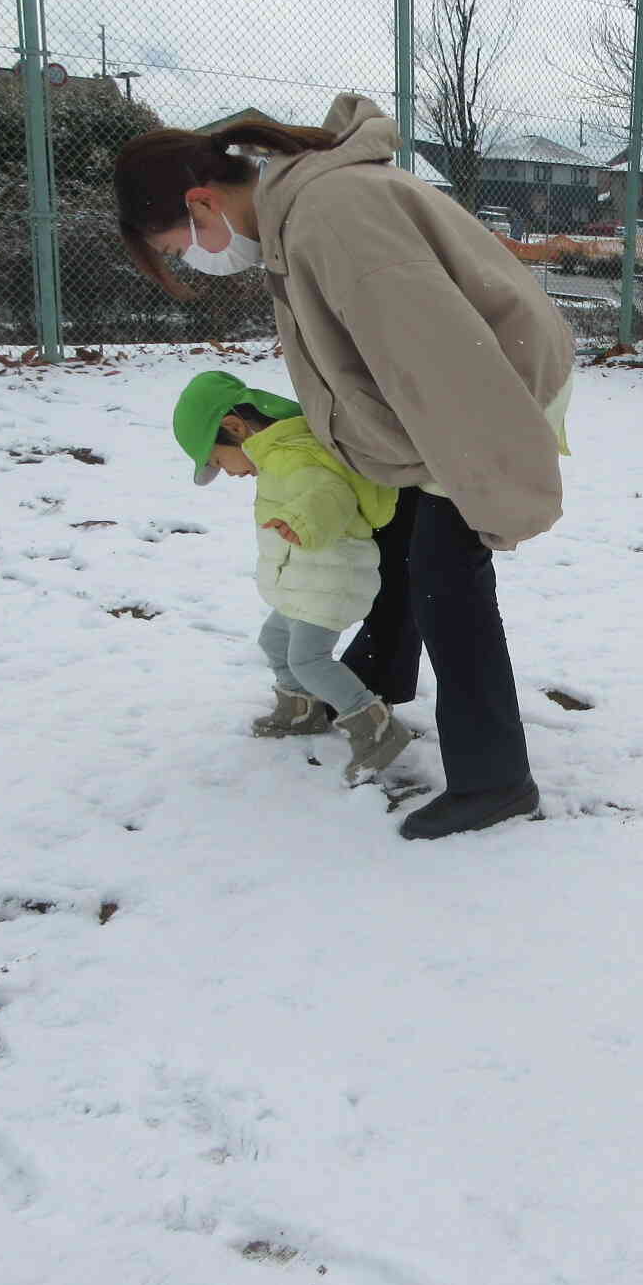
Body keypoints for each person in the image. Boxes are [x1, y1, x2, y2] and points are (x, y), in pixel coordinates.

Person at [115, 95, 572, 839]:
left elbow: (443, 359)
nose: (191, 259)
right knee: (398, 539)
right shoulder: (296, 219)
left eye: (177, 245)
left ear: (202, 202)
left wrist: (487, 482)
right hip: (443, 400)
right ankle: (380, 678)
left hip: (492, 392)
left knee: (447, 577)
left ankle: (496, 781)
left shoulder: (329, 214)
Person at [172, 371, 410, 788]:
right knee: (275, 641)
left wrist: (302, 521)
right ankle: (300, 711)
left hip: (333, 577)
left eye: (216, 460)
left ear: (233, 427)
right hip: (306, 580)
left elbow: (329, 495)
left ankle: (376, 728)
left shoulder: (294, 454)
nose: (225, 472)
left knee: (308, 659)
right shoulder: (274, 454)